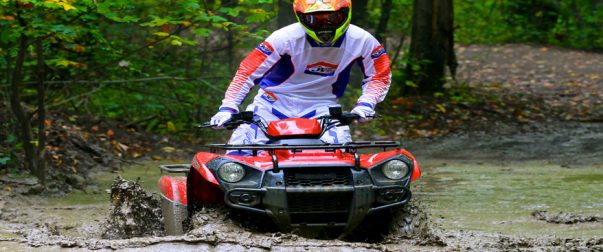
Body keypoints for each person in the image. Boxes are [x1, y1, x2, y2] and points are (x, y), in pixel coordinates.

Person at [210, 0, 391, 152]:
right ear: (301, 17)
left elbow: (380, 75)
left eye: (332, 17)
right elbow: (247, 71)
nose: (324, 25)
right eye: (315, 19)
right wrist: (228, 107)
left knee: (342, 156)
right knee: (237, 155)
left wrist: (365, 105)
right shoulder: (284, 37)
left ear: (345, 13)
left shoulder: (362, 40)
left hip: (323, 108)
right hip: (271, 105)